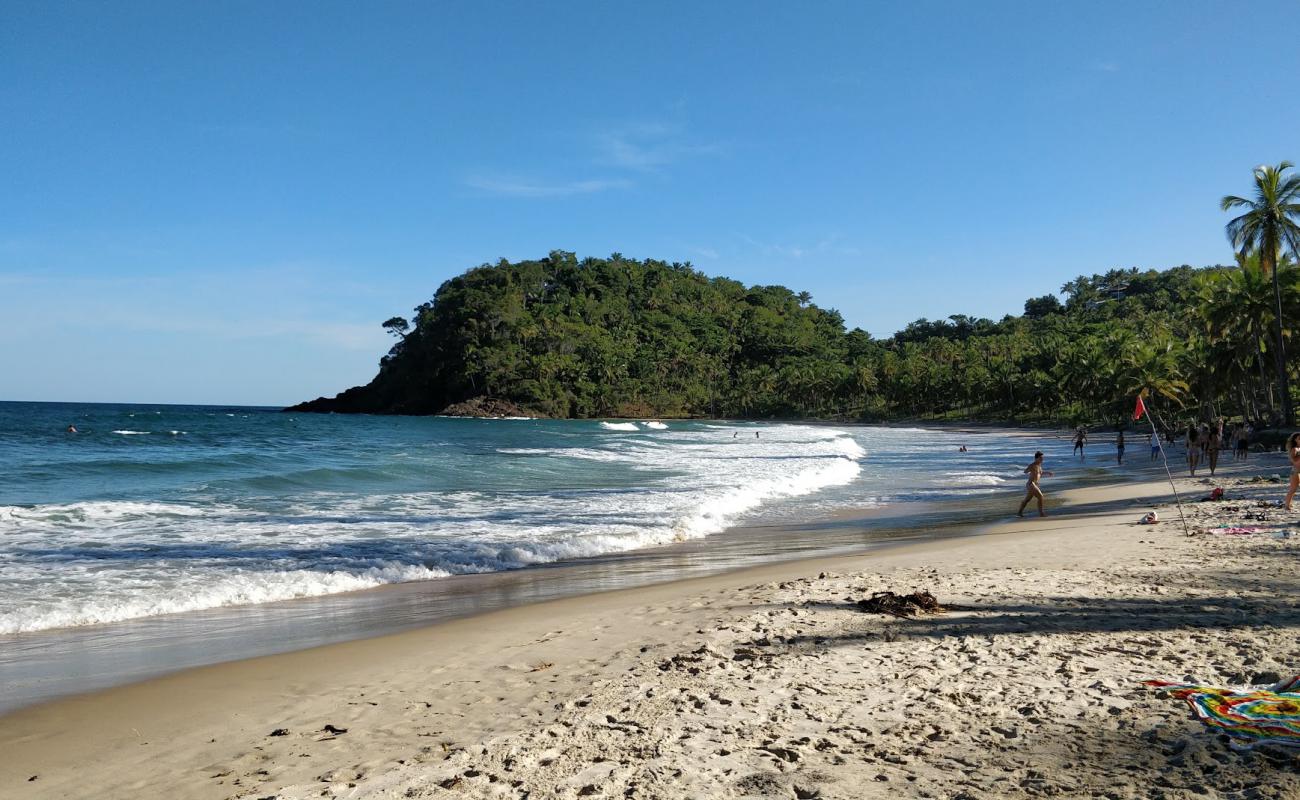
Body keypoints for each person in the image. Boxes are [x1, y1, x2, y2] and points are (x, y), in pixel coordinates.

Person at [1017, 451, 1053, 518]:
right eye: (1041, 458)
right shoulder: (1032, 465)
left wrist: (1048, 472)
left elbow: (1040, 473)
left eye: (1042, 458)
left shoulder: (1039, 466)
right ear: (1036, 458)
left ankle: (1019, 512)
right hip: (1031, 484)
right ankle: (1041, 513)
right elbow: (1025, 471)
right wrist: (1030, 470)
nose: (1042, 459)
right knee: (1040, 496)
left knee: (1027, 500)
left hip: (1035, 484)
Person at [1285, 432, 1300, 511]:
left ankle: (1288, 504)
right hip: (1295, 472)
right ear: (1295, 440)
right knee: (1293, 489)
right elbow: (1292, 460)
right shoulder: (1295, 449)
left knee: (1294, 489)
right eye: (1299, 439)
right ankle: (1287, 505)